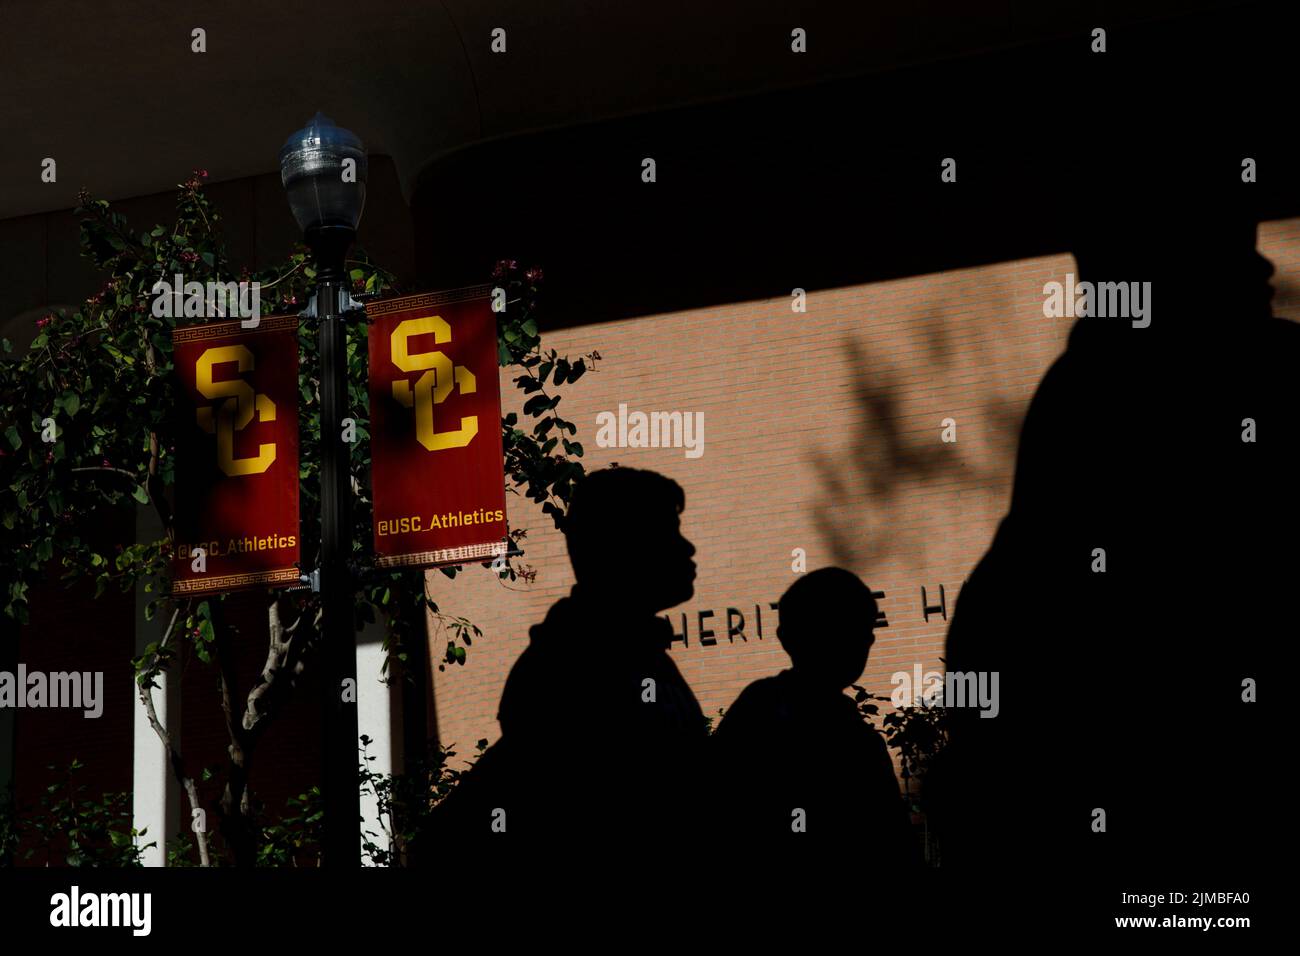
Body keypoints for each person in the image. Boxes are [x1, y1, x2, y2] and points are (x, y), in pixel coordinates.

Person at [432, 466, 709, 847]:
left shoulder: (631, 652)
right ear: (624, 549)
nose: (687, 548)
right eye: (668, 532)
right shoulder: (576, 668)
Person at [713, 567, 918, 868]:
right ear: (790, 638)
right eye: (847, 629)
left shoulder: (853, 733)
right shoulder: (765, 710)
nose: (865, 642)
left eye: (865, 631)